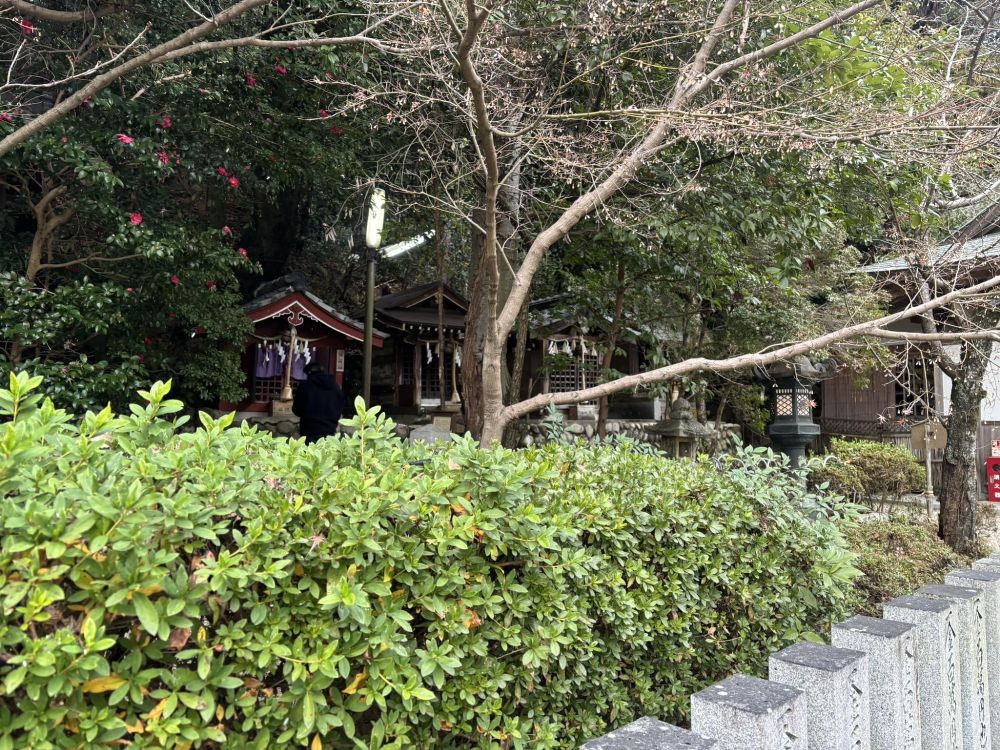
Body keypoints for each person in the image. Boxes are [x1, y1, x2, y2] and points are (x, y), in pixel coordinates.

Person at [292, 362, 346, 444]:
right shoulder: (335, 387)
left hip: (309, 430)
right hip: (330, 429)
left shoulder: (305, 386)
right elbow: (341, 405)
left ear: (309, 372)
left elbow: (297, 410)